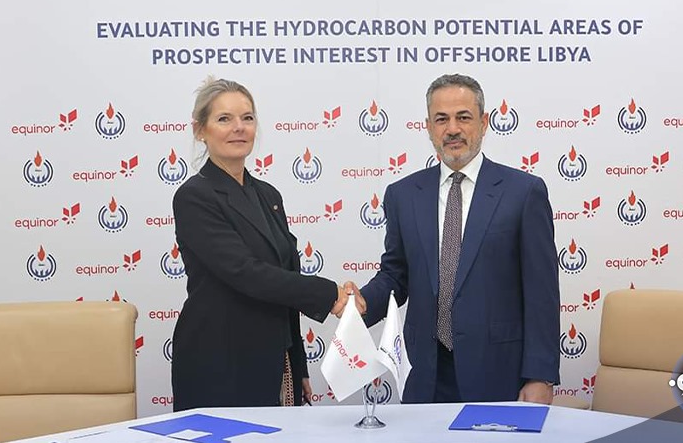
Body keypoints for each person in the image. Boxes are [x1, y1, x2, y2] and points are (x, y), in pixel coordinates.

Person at [352, 73, 560, 404]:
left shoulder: (523, 193)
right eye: (441, 119)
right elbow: (396, 275)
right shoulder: (403, 195)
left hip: (498, 373)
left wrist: (540, 375)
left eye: (463, 117)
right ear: (428, 127)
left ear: (484, 123)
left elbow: (541, 294)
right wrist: (361, 303)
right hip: (425, 374)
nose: (452, 129)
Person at [170, 78, 354, 411]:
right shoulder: (194, 197)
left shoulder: (269, 195)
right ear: (200, 130)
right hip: (218, 360)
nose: (239, 128)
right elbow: (245, 272)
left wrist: (298, 363)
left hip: (274, 358)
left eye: (247, 118)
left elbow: (285, 280)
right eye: (224, 119)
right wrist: (329, 294)